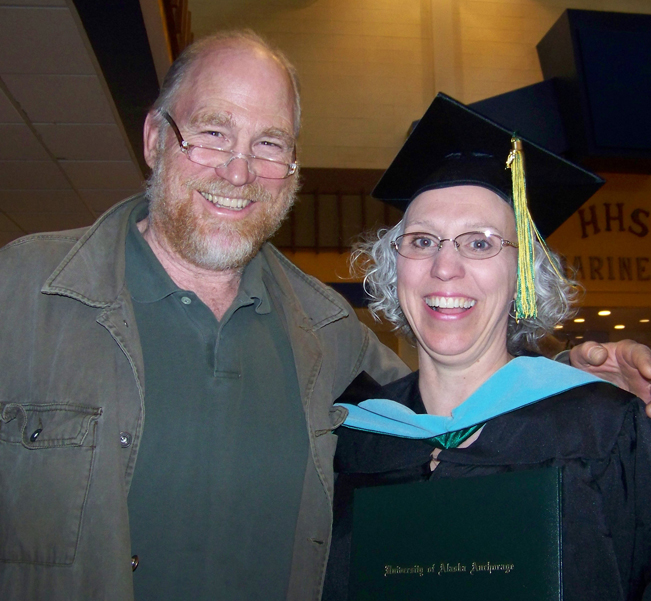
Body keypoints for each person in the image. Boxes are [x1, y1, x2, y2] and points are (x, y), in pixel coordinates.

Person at [0, 30, 649, 601]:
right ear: (153, 138)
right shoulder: (19, 294)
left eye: (269, 142)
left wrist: (570, 384)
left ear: (291, 169)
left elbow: (459, 406)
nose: (238, 170)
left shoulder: (328, 331)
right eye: (212, 132)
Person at [325, 94, 651, 600]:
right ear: (394, 267)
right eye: (422, 240)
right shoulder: (351, 438)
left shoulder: (604, 429)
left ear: (524, 276)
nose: (444, 267)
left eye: (480, 243)